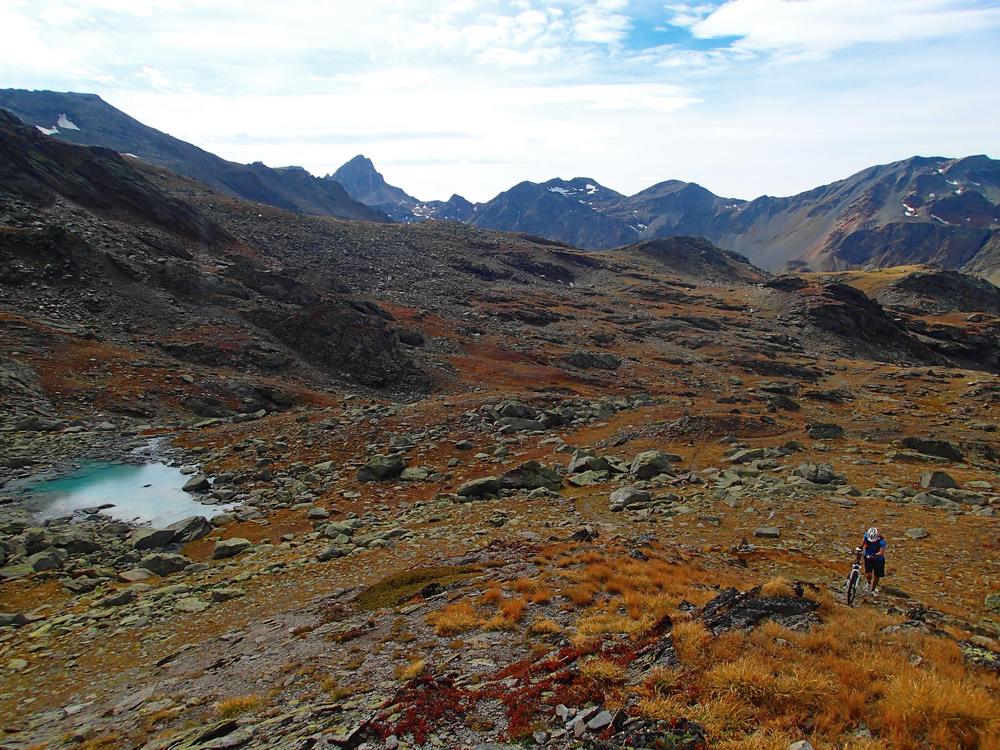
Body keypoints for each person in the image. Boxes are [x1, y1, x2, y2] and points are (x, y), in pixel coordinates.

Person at [861, 527, 886, 596]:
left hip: (878, 560)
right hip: (868, 557)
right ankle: (868, 583)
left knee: (877, 576)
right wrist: (860, 547)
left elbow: (881, 552)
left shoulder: (882, 541)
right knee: (868, 574)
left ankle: (873, 589)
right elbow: (863, 541)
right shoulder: (866, 535)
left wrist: (876, 554)